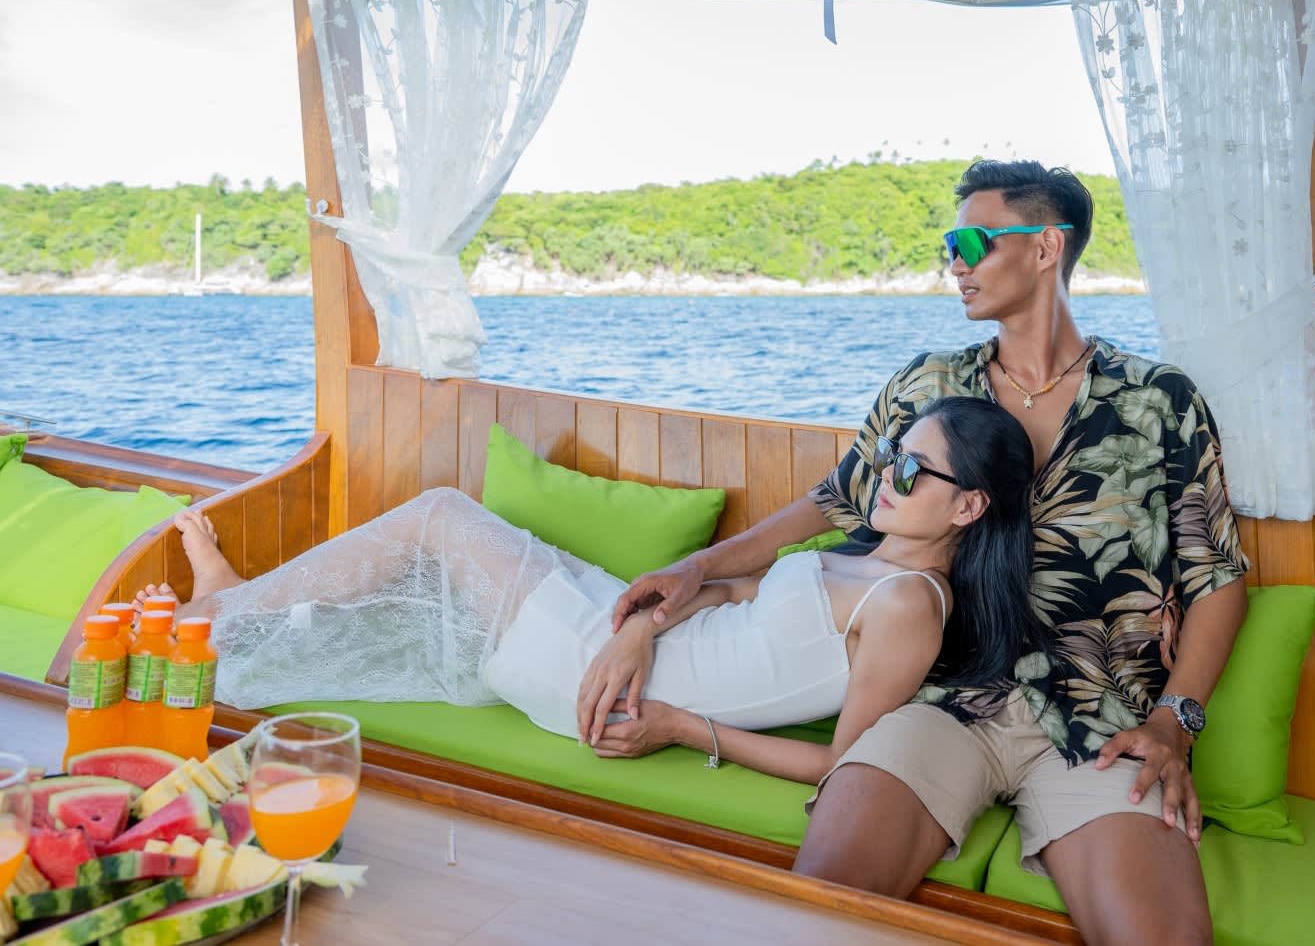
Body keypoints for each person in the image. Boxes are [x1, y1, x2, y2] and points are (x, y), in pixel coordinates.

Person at [608, 160, 1249, 946]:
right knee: (818, 913)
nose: (954, 262)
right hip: (941, 705)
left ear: (1046, 247)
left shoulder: (1159, 402)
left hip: (1099, 721)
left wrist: (1175, 721)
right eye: (950, 245)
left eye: (972, 242)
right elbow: (833, 501)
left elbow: (1216, 578)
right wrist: (698, 567)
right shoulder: (928, 384)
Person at [135, 396, 1044, 785]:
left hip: (618, 690)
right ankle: (241, 604)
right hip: (630, 644)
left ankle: (217, 615)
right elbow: (734, 593)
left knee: (441, 518)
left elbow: (841, 764)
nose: (886, 480)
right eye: (888, 459)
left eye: (913, 472)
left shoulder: (909, 607)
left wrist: (679, 728)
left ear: (970, 506)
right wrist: (642, 627)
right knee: (441, 549)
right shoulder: (870, 557)